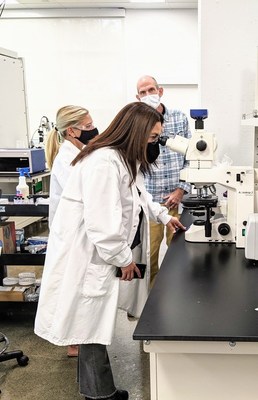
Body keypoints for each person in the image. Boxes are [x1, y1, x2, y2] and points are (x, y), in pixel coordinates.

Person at [34, 102, 185, 400]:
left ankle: (96, 389)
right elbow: (103, 225)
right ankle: (100, 395)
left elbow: (139, 198)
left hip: (98, 253)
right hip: (86, 256)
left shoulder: (121, 158)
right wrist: (124, 259)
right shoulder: (104, 163)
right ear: (136, 133)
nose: (156, 144)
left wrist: (164, 216)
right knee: (89, 327)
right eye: (152, 138)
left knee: (88, 326)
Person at [45, 105, 98, 357]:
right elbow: (82, 194)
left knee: (76, 284)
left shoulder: (79, 150)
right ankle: (72, 341)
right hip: (68, 232)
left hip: (76, 230)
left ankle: (76, 335)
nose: (93, 129)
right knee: (69, 284)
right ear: (71, 131)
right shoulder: (66, 159)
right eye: (87, 127)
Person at [136, 75, 191, 286]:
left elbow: (191, 157)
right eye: (143, 92)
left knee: (178, 255)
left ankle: (178, 296)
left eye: (151, 89)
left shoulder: (179, 118)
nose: (148, 95)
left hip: (177, 200)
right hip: (150, 200)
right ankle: (149, 306)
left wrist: (181, 190)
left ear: (160, 91)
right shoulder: (138, 123)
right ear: (137, 97)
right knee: (149, 257)